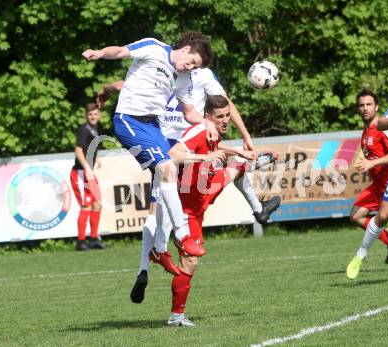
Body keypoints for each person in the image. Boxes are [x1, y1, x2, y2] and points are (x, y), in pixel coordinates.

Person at [83, 32, 216, 270]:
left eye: (195, 67)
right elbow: (121, 50)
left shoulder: (184, 78)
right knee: (166, 169)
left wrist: (208, 123)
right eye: (191, 61)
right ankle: (183, 237)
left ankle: (159, 249)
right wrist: (100, 53)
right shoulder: (154, 48)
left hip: (153, 126)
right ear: (185, 49)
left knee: (169, 176)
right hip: (129, 120)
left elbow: (189, 112)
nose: (189, 67)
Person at [166, 95, 276, 326]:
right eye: (220, 117)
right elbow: (173, 154)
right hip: (186, 208)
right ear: (207, 117)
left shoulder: (212, 133)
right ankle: (176, 317)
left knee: (237, 167)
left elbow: (216, 148)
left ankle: (257, 194)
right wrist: (206, 157)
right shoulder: (198, 130)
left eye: (227, 115)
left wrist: (239, 151)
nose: (225, 121)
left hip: (202, 194)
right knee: (190, 261)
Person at [346, 94, 388, 279]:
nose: (365, 108)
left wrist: (372, 163)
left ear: (376, 106)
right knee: (356, 215)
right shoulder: (367, 130)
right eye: (361, 105)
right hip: (378, 185)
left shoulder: (383, 130)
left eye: (369, 104)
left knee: (383, 215)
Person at [70, 103, 105, 251]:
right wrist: (87, 168)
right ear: (86, 116)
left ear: (99, 115)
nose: (93, 116)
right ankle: (81, 241)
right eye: (90, 114)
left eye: (95, 114)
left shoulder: (94, 130)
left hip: (88, 172)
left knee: (98, 204)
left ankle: (94, 239)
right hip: (80, 173)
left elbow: (88, 149)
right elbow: (78, 151)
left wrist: (95, 159)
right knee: (86, 205)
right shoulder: (84, 130)